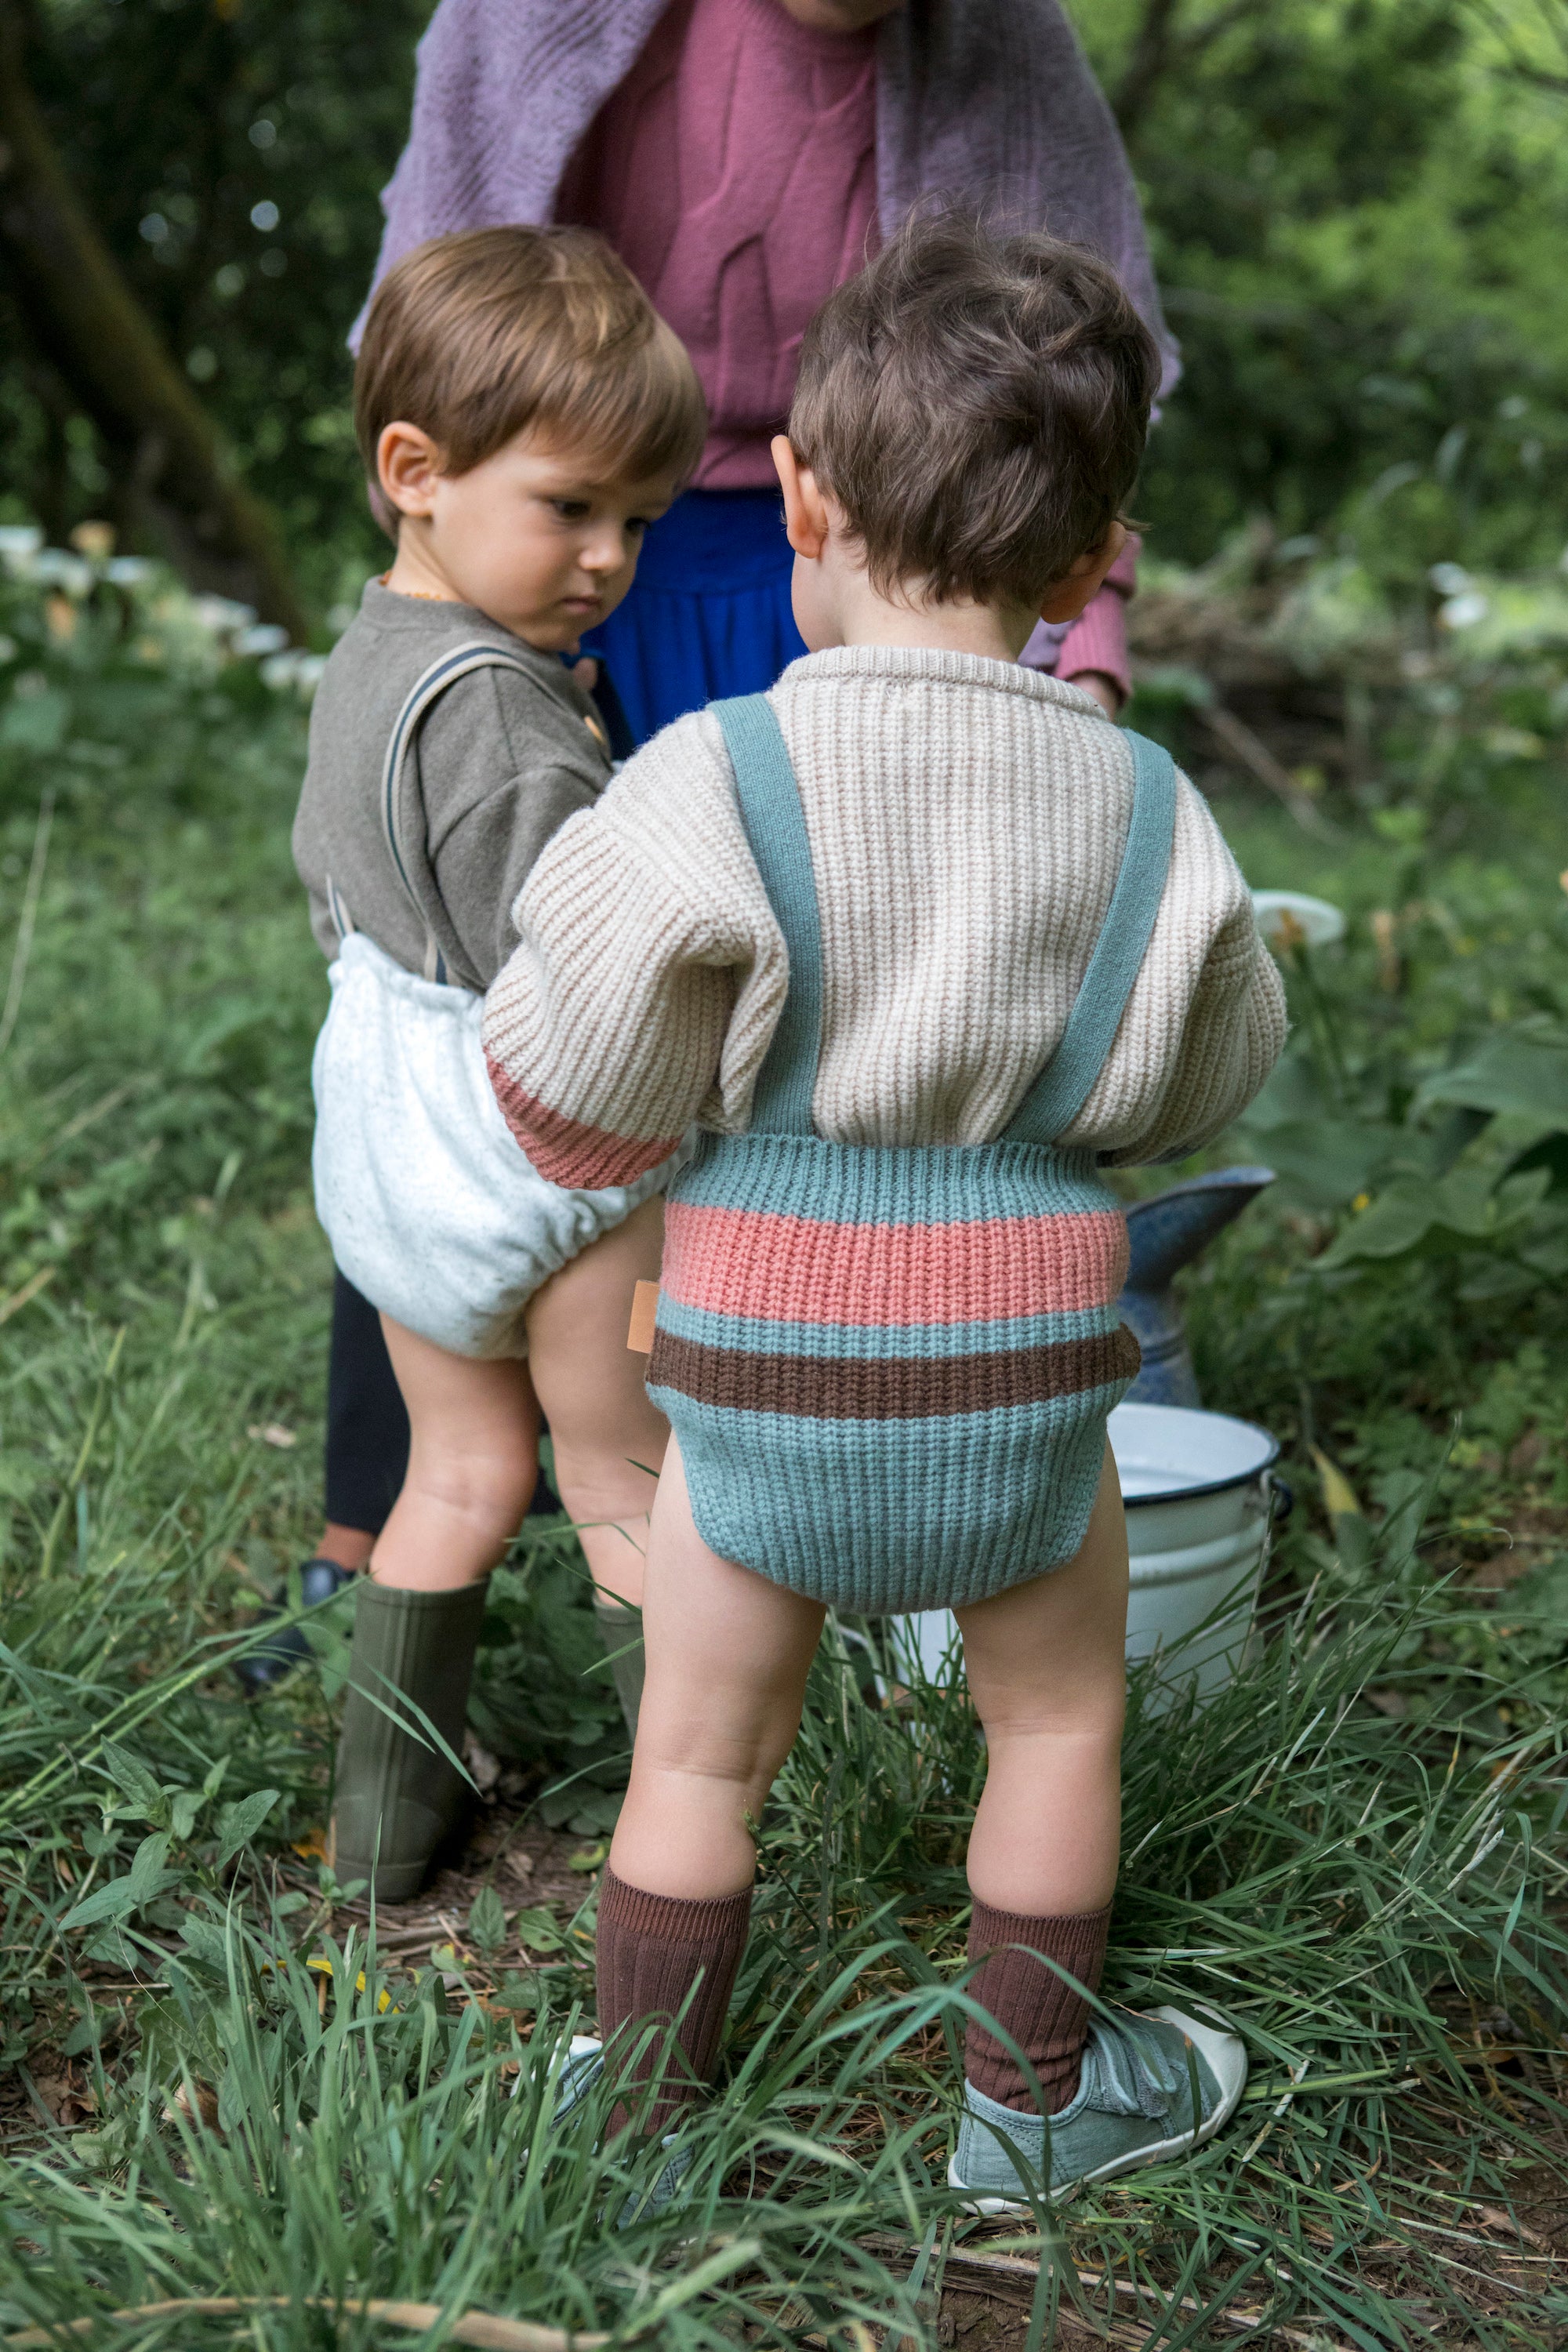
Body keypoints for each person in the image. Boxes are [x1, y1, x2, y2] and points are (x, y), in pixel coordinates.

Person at [482, 216, 1287, 2198]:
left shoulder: (713, 773)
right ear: (1100, 554)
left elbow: (562, 1063)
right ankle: (1027, 2115)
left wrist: (631, 1148)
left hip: (753, 1373)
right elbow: (1212, 1065)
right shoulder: (1142, 800)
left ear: (801, 498)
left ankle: (647, 2124)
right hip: (1020, 1366)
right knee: (1053, 1727)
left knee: (694, 1754)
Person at [247, 0, 1181, 1697]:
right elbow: (448, 303)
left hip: (864, 562)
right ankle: (387, 1517)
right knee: (519, 1017)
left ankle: (819, 1501)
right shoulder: (541, 21)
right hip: (618, 517)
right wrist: (514, 551)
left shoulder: (1002, 54)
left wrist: (1083, 639)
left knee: (825, 1020)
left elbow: (1062, 384)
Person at [291, 225, 706, 1899]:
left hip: (397, 1144)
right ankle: (694, 1808)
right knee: (620, 1479)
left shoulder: (369, 664)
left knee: (456, 1474)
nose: (608, 557)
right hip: (551, 1165)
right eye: (570, 508)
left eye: (637, 522)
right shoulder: (510, 723)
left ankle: (377, 1842)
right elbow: (584, 972)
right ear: (416, 470)